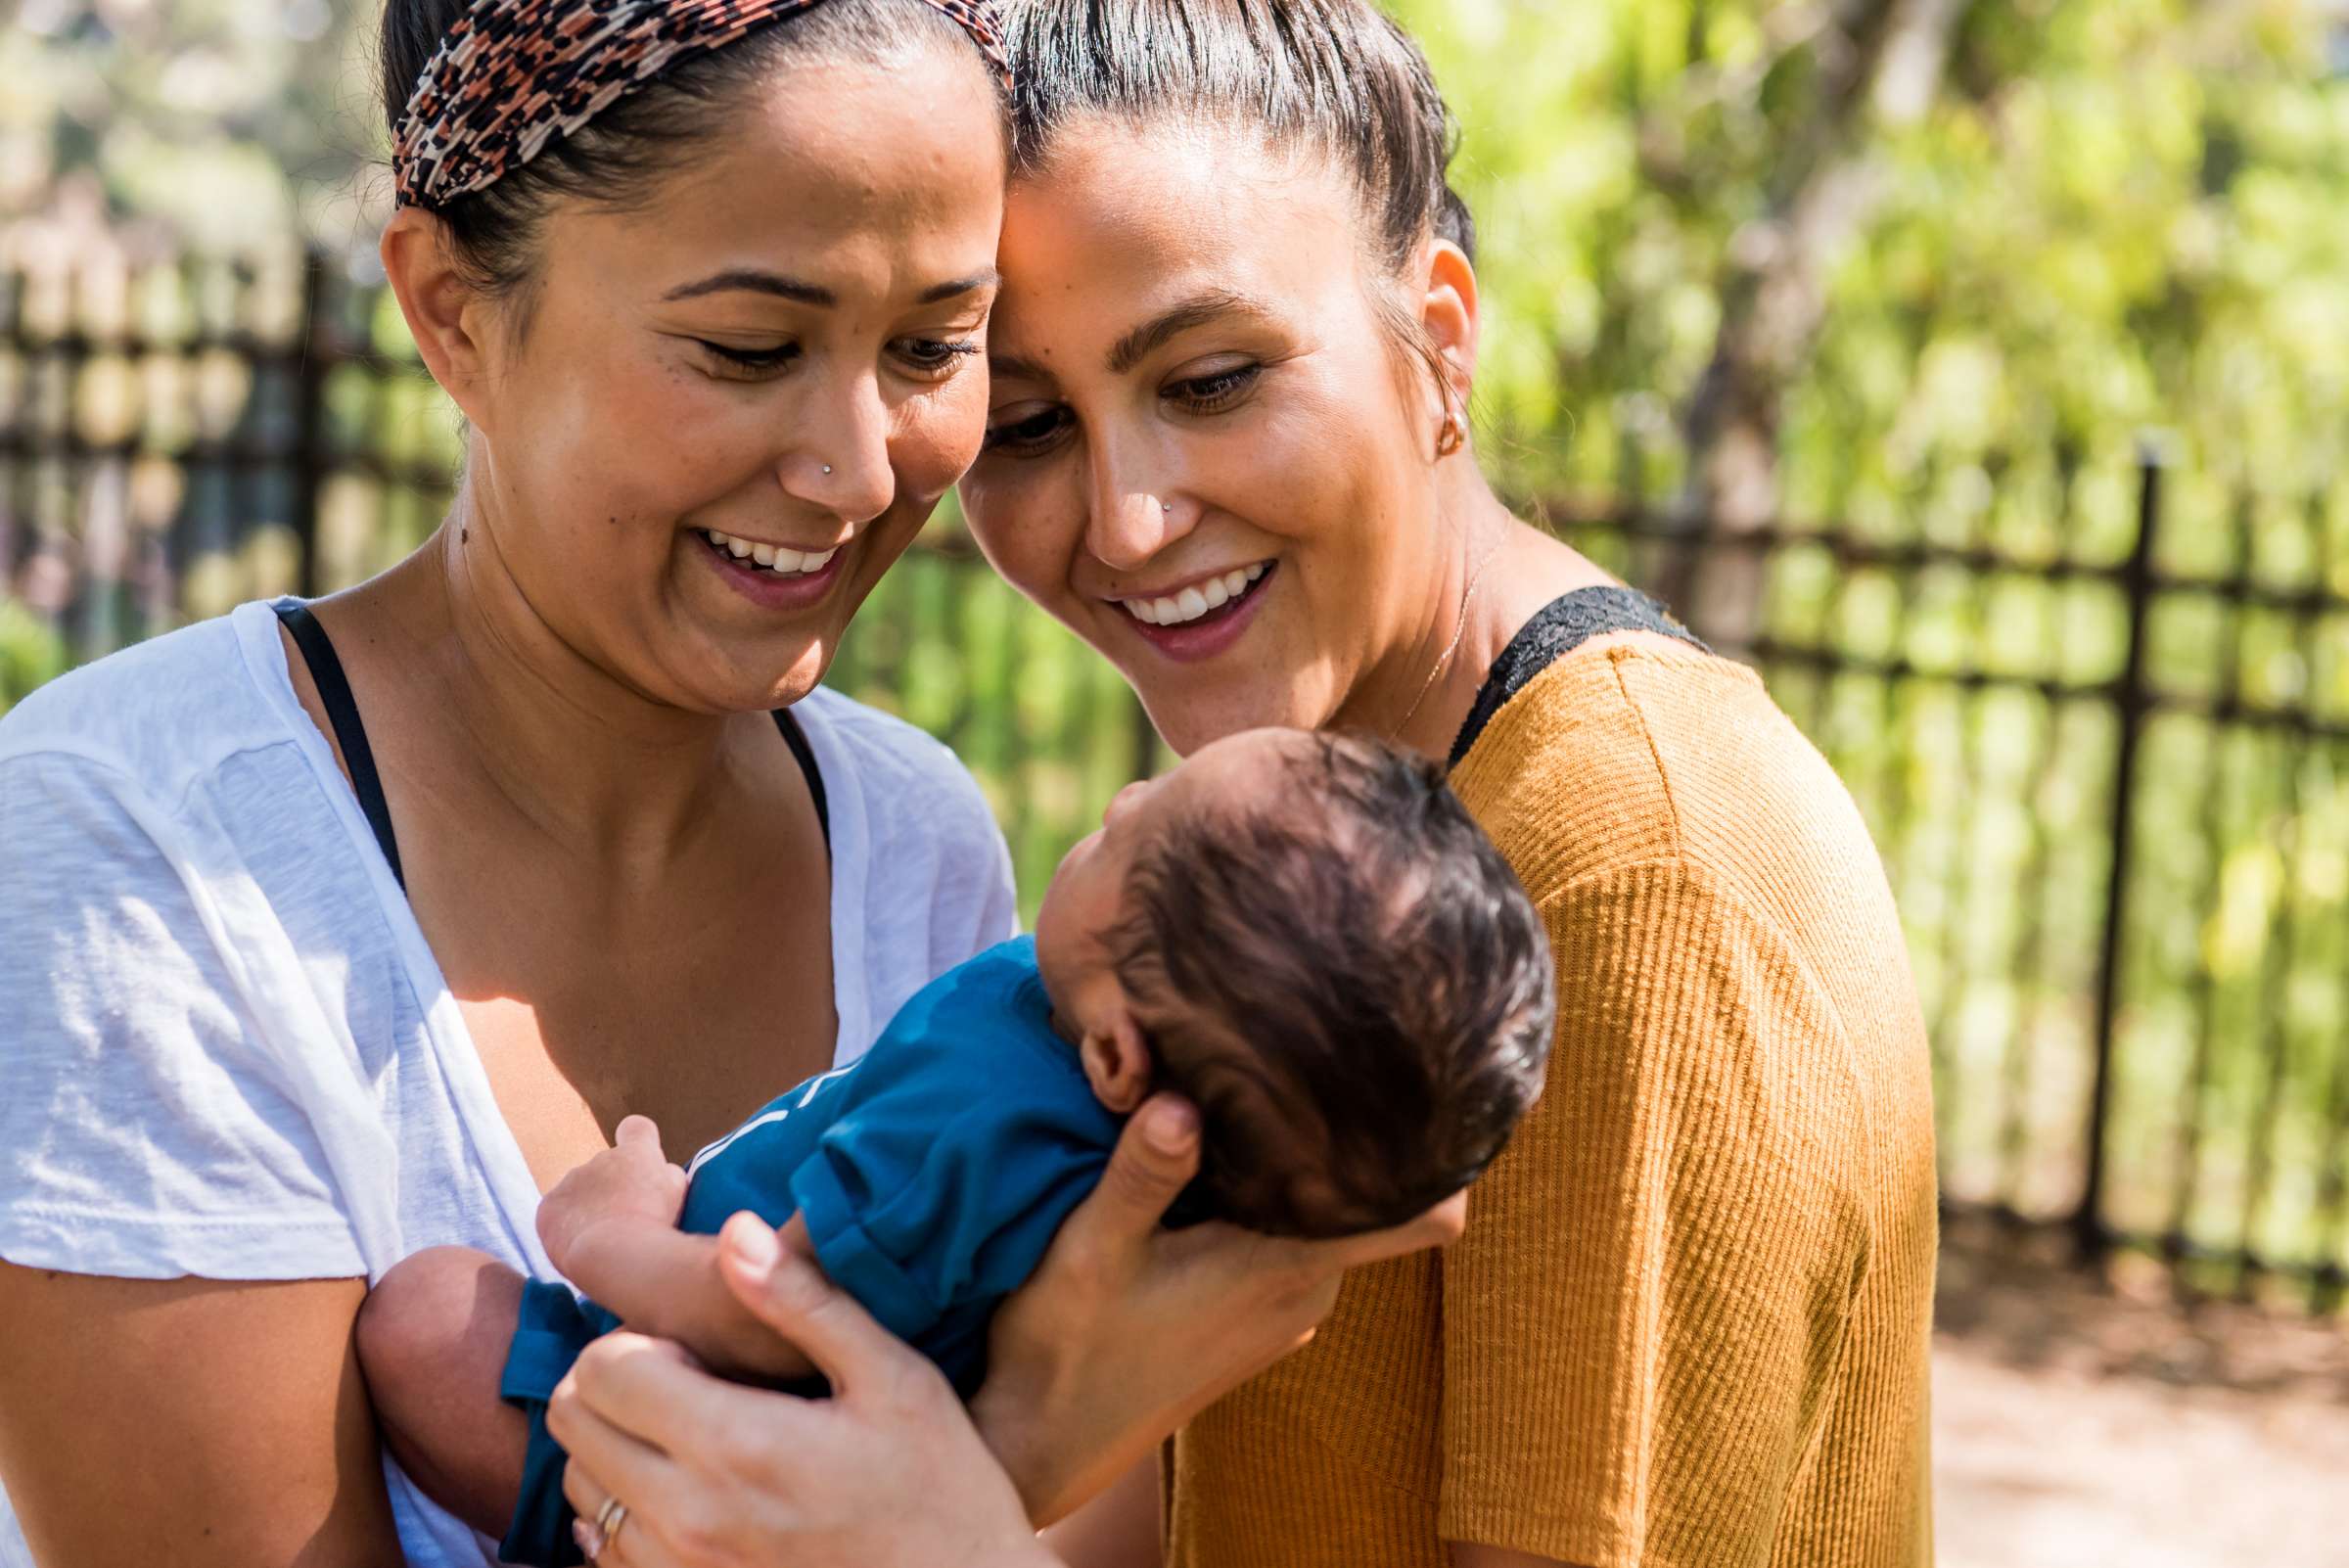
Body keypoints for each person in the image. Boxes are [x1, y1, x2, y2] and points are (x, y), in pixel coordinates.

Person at [0, 5, 1461, 1564]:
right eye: (750, 348)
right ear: (451, 314)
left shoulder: (914, 846)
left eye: (931, 346)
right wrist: (1007, 1453)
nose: (857, 463)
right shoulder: (139, 854)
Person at [542, 2, 1940, 1566]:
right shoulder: (1282, 861)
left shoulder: (1632, 879)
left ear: (1443, 341)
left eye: (1210, 380)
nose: (1129, 519)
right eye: (1027, 423)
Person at [356, 726, 1555, 1565]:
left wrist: (599, 1227)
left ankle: (551, 1516)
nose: (1122, 800)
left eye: (1134, 840)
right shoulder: (1145, 1094)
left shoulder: (986, 1127)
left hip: (687, 1423)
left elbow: (766, 1306)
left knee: (422, 1320)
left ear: (1119, 1062)